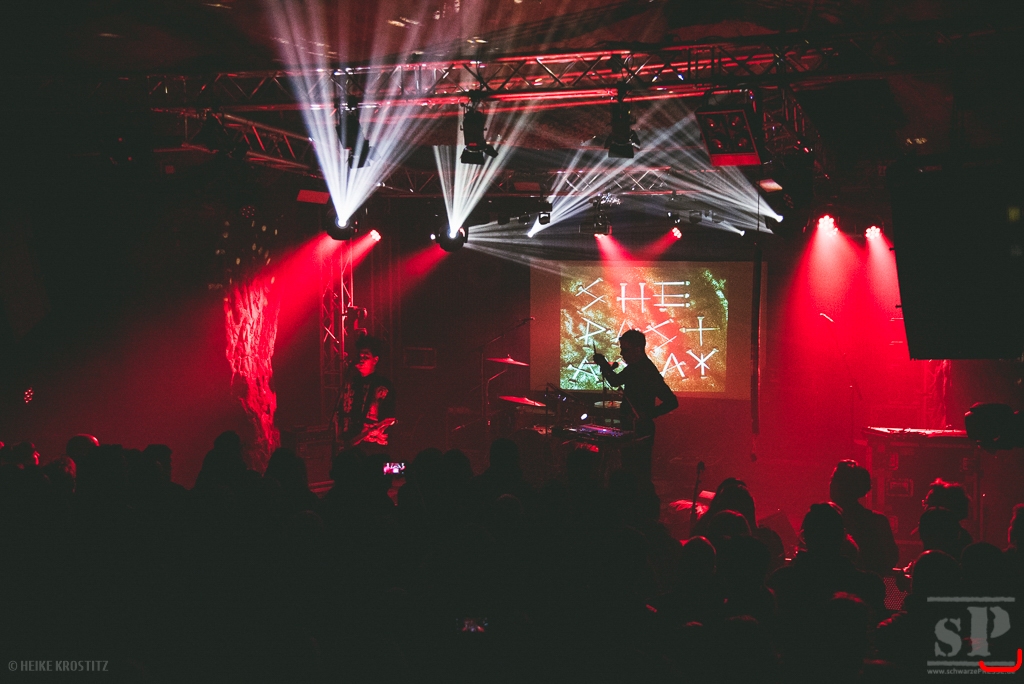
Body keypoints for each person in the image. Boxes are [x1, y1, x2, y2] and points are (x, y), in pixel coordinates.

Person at [592, 329, 678, 478]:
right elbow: (615, 381)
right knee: (632, 470)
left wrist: (648, 414)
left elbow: (672, 401)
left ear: (637, 350)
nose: (622, 353)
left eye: (625, 350)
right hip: (632, 428)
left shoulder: (646, 371)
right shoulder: (635, 368)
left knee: (638, 472)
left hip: (640, 430)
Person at [828, 459, 899, 575]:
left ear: (838, 486)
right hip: (868, 585)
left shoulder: (821, 520)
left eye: (833, 480)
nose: (830, 484)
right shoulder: (878, 521)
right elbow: (891, 559)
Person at [336, 335, 395, 457]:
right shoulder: (351, 383)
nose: (361, 360)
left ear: (375, 360)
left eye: (366, 357)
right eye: (360, 356)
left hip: (374, 449)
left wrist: (373, 431)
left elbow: (389, 417)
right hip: (350, 446)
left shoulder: (383, 384)